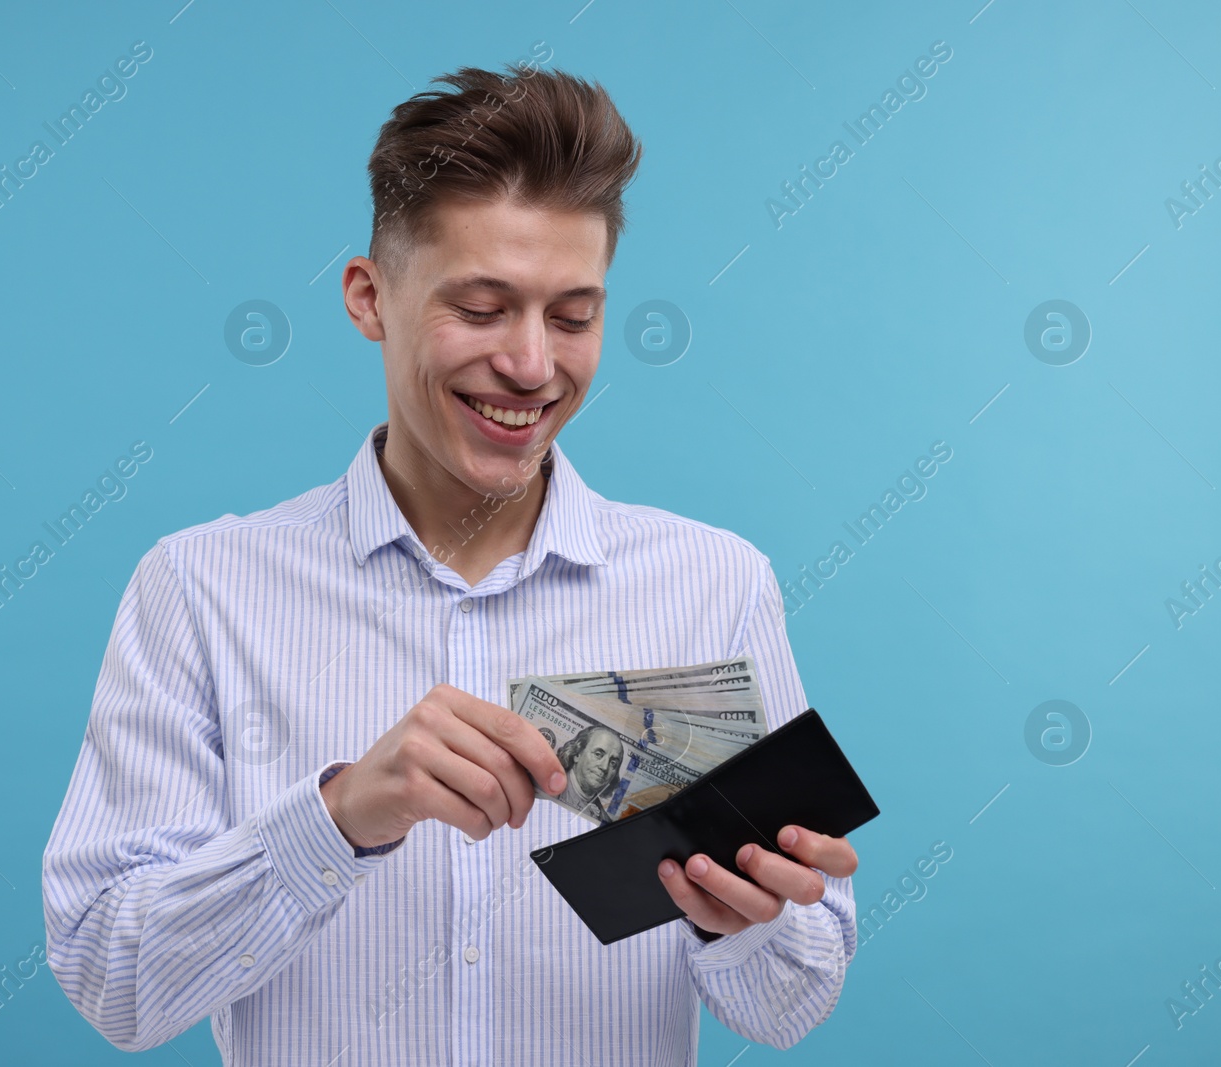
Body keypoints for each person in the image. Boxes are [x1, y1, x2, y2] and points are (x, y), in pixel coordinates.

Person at [43, 61, 859, 1064]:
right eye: (480, 307)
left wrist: (751, 922)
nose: (530, 364)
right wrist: (338, 816)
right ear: (367, 297)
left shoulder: (715, 586)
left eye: (572, 315)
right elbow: (112, 983)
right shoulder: (199, 589)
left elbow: (790, 1004)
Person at [554, 725, 624, 821]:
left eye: (613, 763)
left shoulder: (605, 821)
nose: (604, 767)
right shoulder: (542, 783)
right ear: (578, 754)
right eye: (598, 754)